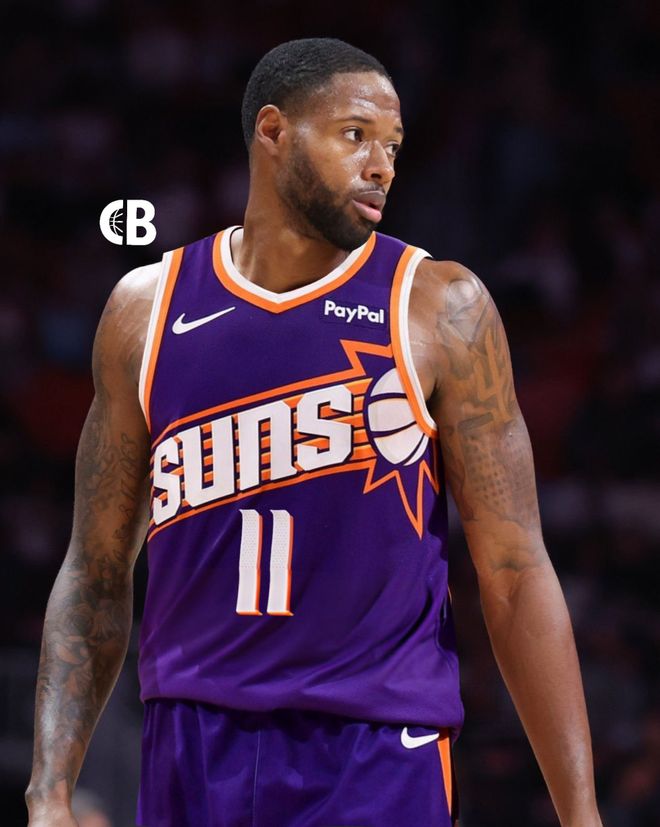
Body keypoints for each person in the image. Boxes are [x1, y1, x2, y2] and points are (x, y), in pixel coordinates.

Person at [26, 38, 602, 827]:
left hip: (375, 751)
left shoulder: (440, 306)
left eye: (393, 146)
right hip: (190, 747)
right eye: (355, 135)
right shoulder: (145, 311)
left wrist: (580, 811)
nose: (382, 166)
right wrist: (50, 790)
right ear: (273, 130)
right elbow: (95, 572)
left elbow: (515, 568)